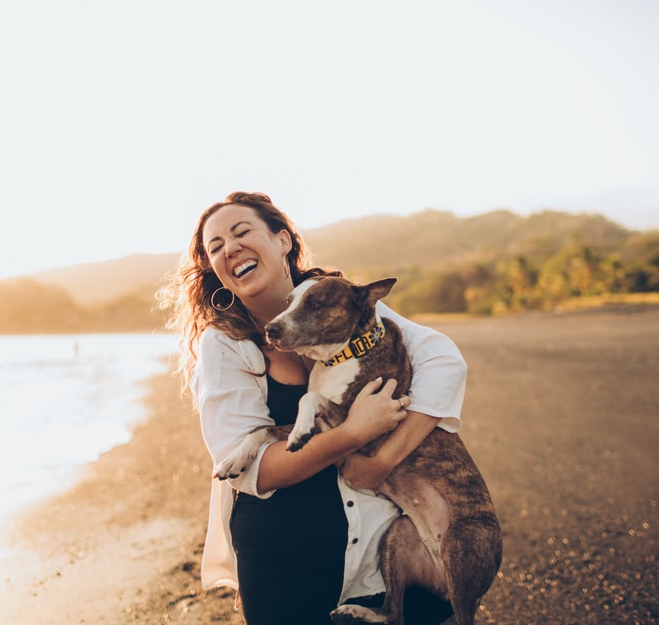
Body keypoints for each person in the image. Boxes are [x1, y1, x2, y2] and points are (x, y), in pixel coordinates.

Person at [158, 191, 467, 625]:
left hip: (379, 546)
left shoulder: (344, 301)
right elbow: (255, 470)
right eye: (215, 247)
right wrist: (352, 435)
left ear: (283, 240)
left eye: (242, 231)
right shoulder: (224, 344)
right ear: (214, 269)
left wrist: (383, 461)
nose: (230, 248)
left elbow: (443, 359)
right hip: (285, 562)